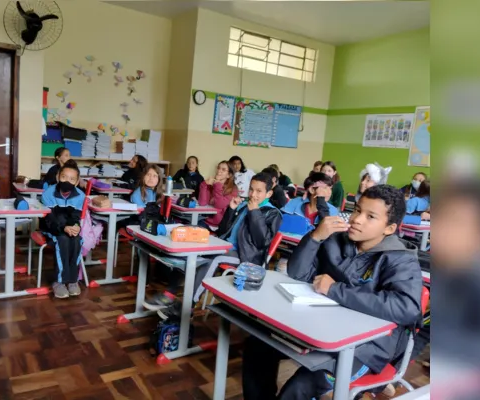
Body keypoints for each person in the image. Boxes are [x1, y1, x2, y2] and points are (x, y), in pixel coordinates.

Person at [242, 185, 422, 400]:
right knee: (257, 346)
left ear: (389, 228)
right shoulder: (337, 239)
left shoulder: (400, 259)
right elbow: (298, 273)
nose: (357, 219)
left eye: (370, 216)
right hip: (323, 327)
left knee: (302, 385)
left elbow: (406, 308)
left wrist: (335, 289)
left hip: (368, 349)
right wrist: (315, 237)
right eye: (357, 210)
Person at [144, 173, 282, 320]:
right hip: (225, 245)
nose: (253, 194)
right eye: (251, 189)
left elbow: (262, 241)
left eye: (258, 191)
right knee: (191, 251)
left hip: (245, 256)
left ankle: (188, 306)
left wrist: (254, 212)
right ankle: (169, 294)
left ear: (269, 193)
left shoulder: (273, 213)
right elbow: (223, 230)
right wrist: (231, 209)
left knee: (213, 258)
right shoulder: (243, 205)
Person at [41, 161, 85, 299]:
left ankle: (72, 280)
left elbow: (76, 217)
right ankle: (59, 281)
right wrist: (63, 228)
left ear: (77, 182)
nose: (68, 181)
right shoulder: (48, 193)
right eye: (64, 177)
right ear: (58, 177)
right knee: (63, 240)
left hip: (69, 228)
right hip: (51, 228)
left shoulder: (80, 196)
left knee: (78, 239)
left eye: (72, 179)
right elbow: (50, 220)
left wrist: (75, 227)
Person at [197, 161, 240, 229]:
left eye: (223, 169)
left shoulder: (233, 189)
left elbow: (219, 204)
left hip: (219, 225)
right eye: (218, 168)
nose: (219, 171)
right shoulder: (212, 185)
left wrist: (217, 185)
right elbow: (202, 203)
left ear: (229, 175)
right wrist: (204, 185)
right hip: (205, 221)